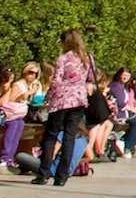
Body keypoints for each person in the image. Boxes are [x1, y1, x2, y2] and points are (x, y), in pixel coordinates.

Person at [35, 30, 93, 187]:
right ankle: (62, 176)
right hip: (79, 100)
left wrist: (48, 98)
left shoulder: (63, 58)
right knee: (69, 136)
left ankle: (43, 173)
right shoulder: (87, 59)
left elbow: (56, 81)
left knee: (51, 135)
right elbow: (91, 79)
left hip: (62, 100)